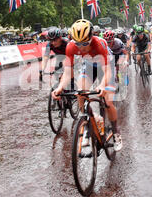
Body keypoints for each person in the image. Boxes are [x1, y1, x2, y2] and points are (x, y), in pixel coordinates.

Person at [52, 19, 123, 151]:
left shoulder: (99, 43)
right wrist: (60, 87)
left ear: (91, 37)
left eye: (85, 43)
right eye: (78, 43)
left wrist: (102, 85)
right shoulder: (70, 47)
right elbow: (68, 73)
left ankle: (116, 131)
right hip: (89, 65)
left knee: (108, 101)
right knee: (81, 91)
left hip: (106, 66)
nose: (81, 47)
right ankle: (87, 122)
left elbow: (107, 71)